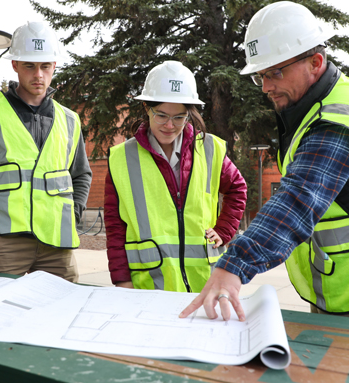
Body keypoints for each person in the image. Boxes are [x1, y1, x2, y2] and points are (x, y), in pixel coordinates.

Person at [180, 1, 349, 321]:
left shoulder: (341, 121)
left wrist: (233, 266)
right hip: (341, 280)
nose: (266, 87)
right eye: (260, 76)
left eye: (275, 73)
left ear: (315, 62)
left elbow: (297, 199)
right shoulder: (314, 106)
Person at [0, 21, 92, 282]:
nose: (39, 75)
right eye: (30, 66)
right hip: (2, 242)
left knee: (60, 317)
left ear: (54, 66)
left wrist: (74, 215)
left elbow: (81, 175)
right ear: (15, 65)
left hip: (56, 245)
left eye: (45, 66)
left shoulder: (69, 120)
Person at [104, 60, 247, 292]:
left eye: (179, 117)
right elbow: (115, 226)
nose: (170, 125)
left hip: (205, 285)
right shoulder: (122, 159)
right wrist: (122, 280)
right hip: (148, 287)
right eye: (161, 115)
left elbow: (237, 188)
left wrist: (224, 230)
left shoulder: (208, 149)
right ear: (146, 109)